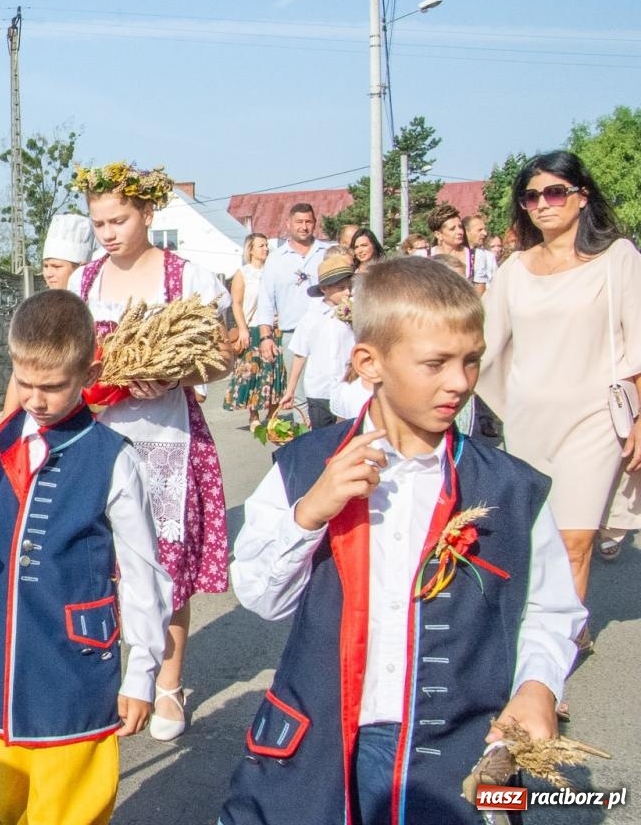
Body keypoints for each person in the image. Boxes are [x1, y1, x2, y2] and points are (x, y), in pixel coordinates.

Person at [221, 258, 584, 825]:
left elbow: (550, 609)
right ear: (369, 362)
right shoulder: (303, 466)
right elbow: (259, 597)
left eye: (471, 361)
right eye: (435, 364)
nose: (461, 382)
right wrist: (310, 513)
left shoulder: (513, 488)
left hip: (464, 748)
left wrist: (538, 685)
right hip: (316, 744)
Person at [0, 289, 171, 825]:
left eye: (53, 387)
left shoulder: (114, 459)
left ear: (88, 372)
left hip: (73, 667)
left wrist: (142, 674)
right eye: (24, 383)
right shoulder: (1, 443)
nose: (35, 400)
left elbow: (143, 573)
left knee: (68, 809)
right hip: (0, 663)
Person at [68, 161, 232, 742]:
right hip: (98, 438)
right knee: (104, 565)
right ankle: (115, 676)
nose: (108, 232)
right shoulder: (81, 284)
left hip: (167, 441)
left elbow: (223, 358)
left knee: (164, 565)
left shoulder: (188, 279)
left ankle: (168, 683)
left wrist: (174, 374)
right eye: (99, 222)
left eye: (119, 219)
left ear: (148, 213)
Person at [477, 150, 641, 670]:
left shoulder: (617, 258)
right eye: (531, 196)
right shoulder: (513, 271)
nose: (542, 204)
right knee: (536, 534)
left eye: (554, 192)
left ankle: (553, 655)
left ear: (581, 196)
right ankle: (565, 620)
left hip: (595, 419)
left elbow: (639, 341)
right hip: (527, 421)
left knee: (574, 537)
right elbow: (481, 346)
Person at [252, 203, 330, 411]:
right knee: (298, 394)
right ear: (288, 224)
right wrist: (265, 337)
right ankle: (305, 438)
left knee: (329, 391)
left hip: (327, 331)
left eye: (308, 222)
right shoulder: (276, 259)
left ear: (314, 224)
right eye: (299, 222)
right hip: (292, 334)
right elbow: (266, 300)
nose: (304, 227)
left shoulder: (327, 252)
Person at [277, 253, 355, 430]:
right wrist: (290, 390)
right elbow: (300, 354)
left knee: (348, 436)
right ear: (325, 289)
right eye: (342, 288)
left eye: (349, 287)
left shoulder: (355, 314)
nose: (348, 292)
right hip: (320, 390)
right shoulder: (311, 318)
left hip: (347, 387)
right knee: (322, 437)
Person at [224, 232, 286, 429]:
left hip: (273, 327)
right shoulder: (243, 273)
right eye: (261, 245)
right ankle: (253, 415)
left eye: (267, 245)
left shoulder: (273, 271)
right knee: (253, 372)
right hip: (252, 327)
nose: (265, 249)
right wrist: (242, 328)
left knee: (275, 371)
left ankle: (272, 414)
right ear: (250, 249)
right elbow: (236, 303)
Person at [40, 212, 95, 290]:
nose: (48, 274)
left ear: (81, 268)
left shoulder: (98, 300)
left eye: (56, 266)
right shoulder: (42, 301)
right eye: (45, 266)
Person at [463, 214, 498, 292]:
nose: (485, 233)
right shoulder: (457, 255)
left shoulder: (489, 257)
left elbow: (496, 284)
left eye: (484, 230)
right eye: (480, 230)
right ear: (466, 232)